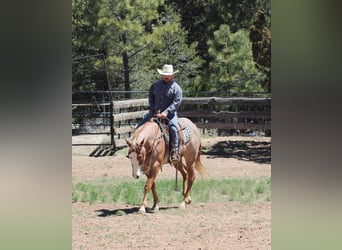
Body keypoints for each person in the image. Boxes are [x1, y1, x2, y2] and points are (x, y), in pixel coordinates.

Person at [137, 64, 182, 163]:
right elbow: (151, 98)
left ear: (172, 75)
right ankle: (135, 149)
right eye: (165, 75)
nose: (166, 76)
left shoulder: (176, 88)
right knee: (139, 126)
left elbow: (176, 102)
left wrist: (166, 112)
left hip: (170, 114)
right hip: (155, 112)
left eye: (168, 75)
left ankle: (175, 151)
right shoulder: (155, 86)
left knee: (174, 129)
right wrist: (154, 109)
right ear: (162, 75)